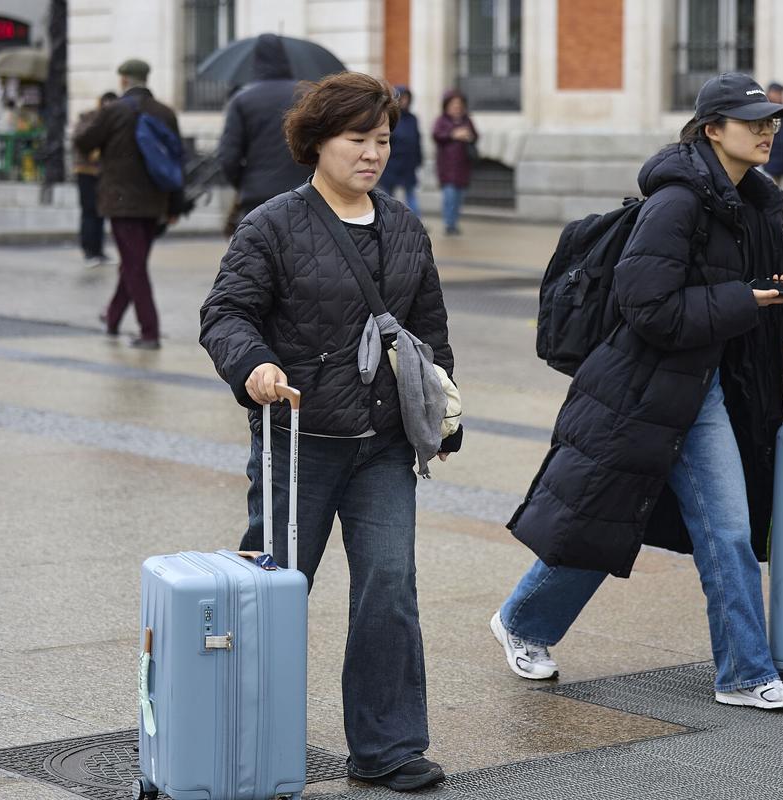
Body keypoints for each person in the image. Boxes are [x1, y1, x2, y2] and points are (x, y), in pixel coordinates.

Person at [495, 73, 783, 709]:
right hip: (644, 390)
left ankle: (744, 673)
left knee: (722, 531)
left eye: (773, 119)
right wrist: (740, 300)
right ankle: (523, 623)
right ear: (711, 129)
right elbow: (647, 307)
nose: (768, 129)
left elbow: (774, 297)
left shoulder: (756, 203)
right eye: (753, 120)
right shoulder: (677, 202)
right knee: (604, 520)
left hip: (707, 390)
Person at [200, 72, 459, 790]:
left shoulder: (405, 226)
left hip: (382, 446)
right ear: (316, 142)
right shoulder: (272, 224)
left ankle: (387, 748)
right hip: (299, 443)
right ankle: (236, 736)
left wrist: (442, 406)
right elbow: (225, 314)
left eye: (382, 140)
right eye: (357, 139)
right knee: (274, 591)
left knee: (389, 585)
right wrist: (253, 366)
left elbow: (427, 331)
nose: (372, 153)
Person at [73, 59, 182, 350]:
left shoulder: (114, 111)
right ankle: (112, 317)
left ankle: (150, 331)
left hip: (122, 202)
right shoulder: (164, 112)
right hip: (155, 200)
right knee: (134, 263)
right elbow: (177, 160)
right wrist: (174, 206)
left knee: (134, 266)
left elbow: (82, 141)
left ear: (123, 80)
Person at [216, 33, 312, 227]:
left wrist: (244, 183)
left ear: (255, 61)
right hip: (305, 192)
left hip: (257, 196)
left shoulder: (242, 100)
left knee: (261, 254)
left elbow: (228, 157)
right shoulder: (307, 96)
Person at [73, 91, 119, 267]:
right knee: (89, 211)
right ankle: (89, 251)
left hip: (103, 173)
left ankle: (98, 251)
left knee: (101, 212)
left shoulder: (113, 121)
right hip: (86, 171)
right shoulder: (89, 117)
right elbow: (80, 140)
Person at [432, 90, 477, 235]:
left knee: (459, 198)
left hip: (463, 168)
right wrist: (453, 134)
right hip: (447, 168)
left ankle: (454, 222)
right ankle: (449, 224)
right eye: (453, 104)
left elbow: (476, 136)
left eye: (459, 105)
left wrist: (468, 135)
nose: (456, 107)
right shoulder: (442, 121)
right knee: (449, 197)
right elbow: (437, 135)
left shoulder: (466, 120)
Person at [378, 85, 423, 215]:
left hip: (408, 164)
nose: (405, 101)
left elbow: (417, 140)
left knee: (411, 195)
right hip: (391, 164)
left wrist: (419, 159)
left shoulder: (413, 119)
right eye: (402, 98)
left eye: (407, 98)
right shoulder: (389, 118)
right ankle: (386, 222)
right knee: (387, 196)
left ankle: (417, 222)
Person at [763, 81, 783, 186]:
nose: (780, 96)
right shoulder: (763, 111)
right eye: (778, 93)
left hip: (782, 160)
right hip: (768, 160)